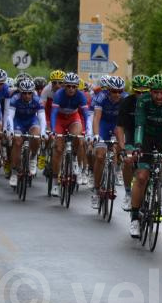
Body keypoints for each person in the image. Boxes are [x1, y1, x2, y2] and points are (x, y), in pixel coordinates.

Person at [128, 74, 162, 238]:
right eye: (155, 92)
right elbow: (139, 124)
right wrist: (137, 145)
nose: (159, 96)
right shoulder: (143, 101)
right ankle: (135, 218)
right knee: (142, 176)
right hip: (146, 137)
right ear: (150, 92)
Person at [50, 72, 89, 195]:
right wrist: (52, 130)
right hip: (60, 119)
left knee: (78, 137)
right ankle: (55, 183)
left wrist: (87, 130)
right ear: (64, 86)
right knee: (58, 149)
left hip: (73, 118)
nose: (71, 89)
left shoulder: (81, 96)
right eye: (68, 86)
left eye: (74, 87)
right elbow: (54, 113)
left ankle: (75, 161)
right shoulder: (58, 94)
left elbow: (86, 114)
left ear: (77, 87)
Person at [90, 76, 126, 208]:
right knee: (100, 156)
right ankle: (96, 189)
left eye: (119, 91)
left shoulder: (125, 99)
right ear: (108, 90)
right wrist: (96, 135)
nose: (117, 94)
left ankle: (116, 172)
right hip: (103, 125)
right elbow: (96, 118)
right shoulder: (101, 97)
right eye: (113, 91)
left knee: (119, 148)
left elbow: (127, 120)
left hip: (117, 125)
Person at [4, 79, 45, 187]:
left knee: (36, 137)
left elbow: (42, 119)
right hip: (18, 122)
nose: (27, 95)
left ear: (32, 93)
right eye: (24, 93)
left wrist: (44, 132)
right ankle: (14, 172)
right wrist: (11, 130)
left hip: (32, 121)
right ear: (20, 92)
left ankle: (33, 158)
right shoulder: (14, 99)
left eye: (29, 93)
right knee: (17, 143)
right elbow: (10, 117)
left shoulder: (37, 100)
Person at [116, 74, 149, 211]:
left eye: (144, 92)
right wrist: (122, 147)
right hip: (131, 135)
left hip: (148, 137)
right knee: (128, 161)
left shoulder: (153, 103)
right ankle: (128, 192)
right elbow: (120, 127)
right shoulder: (126, 102)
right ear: (133, 91)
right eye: (137, 92)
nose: (141, 95)